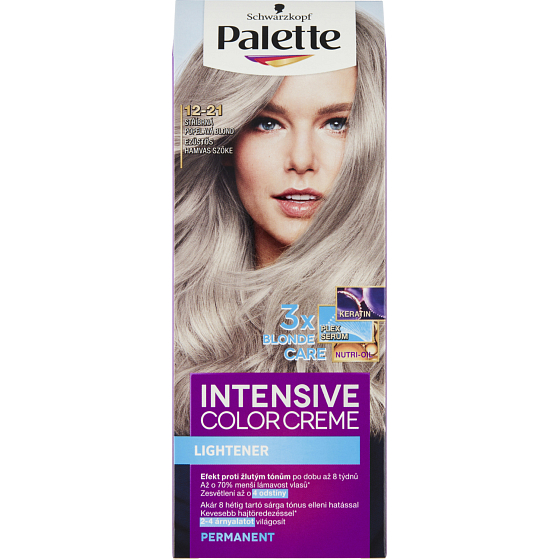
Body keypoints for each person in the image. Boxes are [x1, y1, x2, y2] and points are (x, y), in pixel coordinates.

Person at [173, 11, 386, 436]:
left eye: (337, 124)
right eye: (267, 122)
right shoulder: (175, 305)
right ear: (225, 140)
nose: (302, 160)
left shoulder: (366, 305)